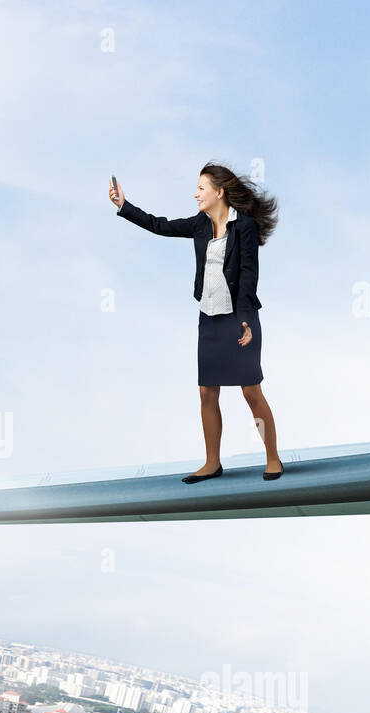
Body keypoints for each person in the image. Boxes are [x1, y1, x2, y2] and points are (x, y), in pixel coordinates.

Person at [111, 165, 283, 481]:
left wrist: (245, 321)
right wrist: (124, 206)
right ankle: (212, 462)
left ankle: (273, 458)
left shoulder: (243, 227)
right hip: (209, 319)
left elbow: (248, 275)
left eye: (201, 187)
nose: (196, 193)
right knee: (207, 392)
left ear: (219, 192)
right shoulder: (200, 225)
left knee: (250, 391)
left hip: (239, 319)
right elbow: (159, 225)